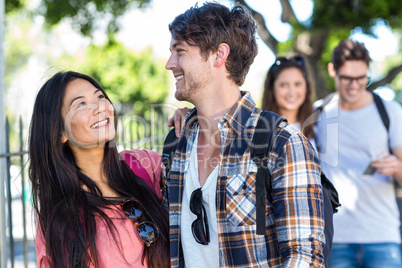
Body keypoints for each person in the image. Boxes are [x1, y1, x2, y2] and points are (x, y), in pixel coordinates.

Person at [163, 2, 325, 267]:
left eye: (179, 51)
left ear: (219, 55)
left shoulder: (281, 142)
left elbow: (304, 258)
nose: (170, 64)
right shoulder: (176, 142)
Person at [29, 71, 169, 267]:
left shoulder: (143, 164)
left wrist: (191, 121)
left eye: (100, 96)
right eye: (81, 104)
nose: (100, 107)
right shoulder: (61, 217)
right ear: (60, 132)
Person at [315, 39, 402, 267]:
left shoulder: (390, 112)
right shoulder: (317, 115)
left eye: (361, 78)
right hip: (334, 240)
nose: (354, 85)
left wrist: (396, 167)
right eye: (346, 78)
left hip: (382, 237)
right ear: (333, 70)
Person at [261, 55, 315, 147]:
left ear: (306, 87)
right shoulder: (259, 132)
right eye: (284, 85)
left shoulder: (316, 127)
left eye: (297, 84)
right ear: (272, 88)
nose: (291, 92)